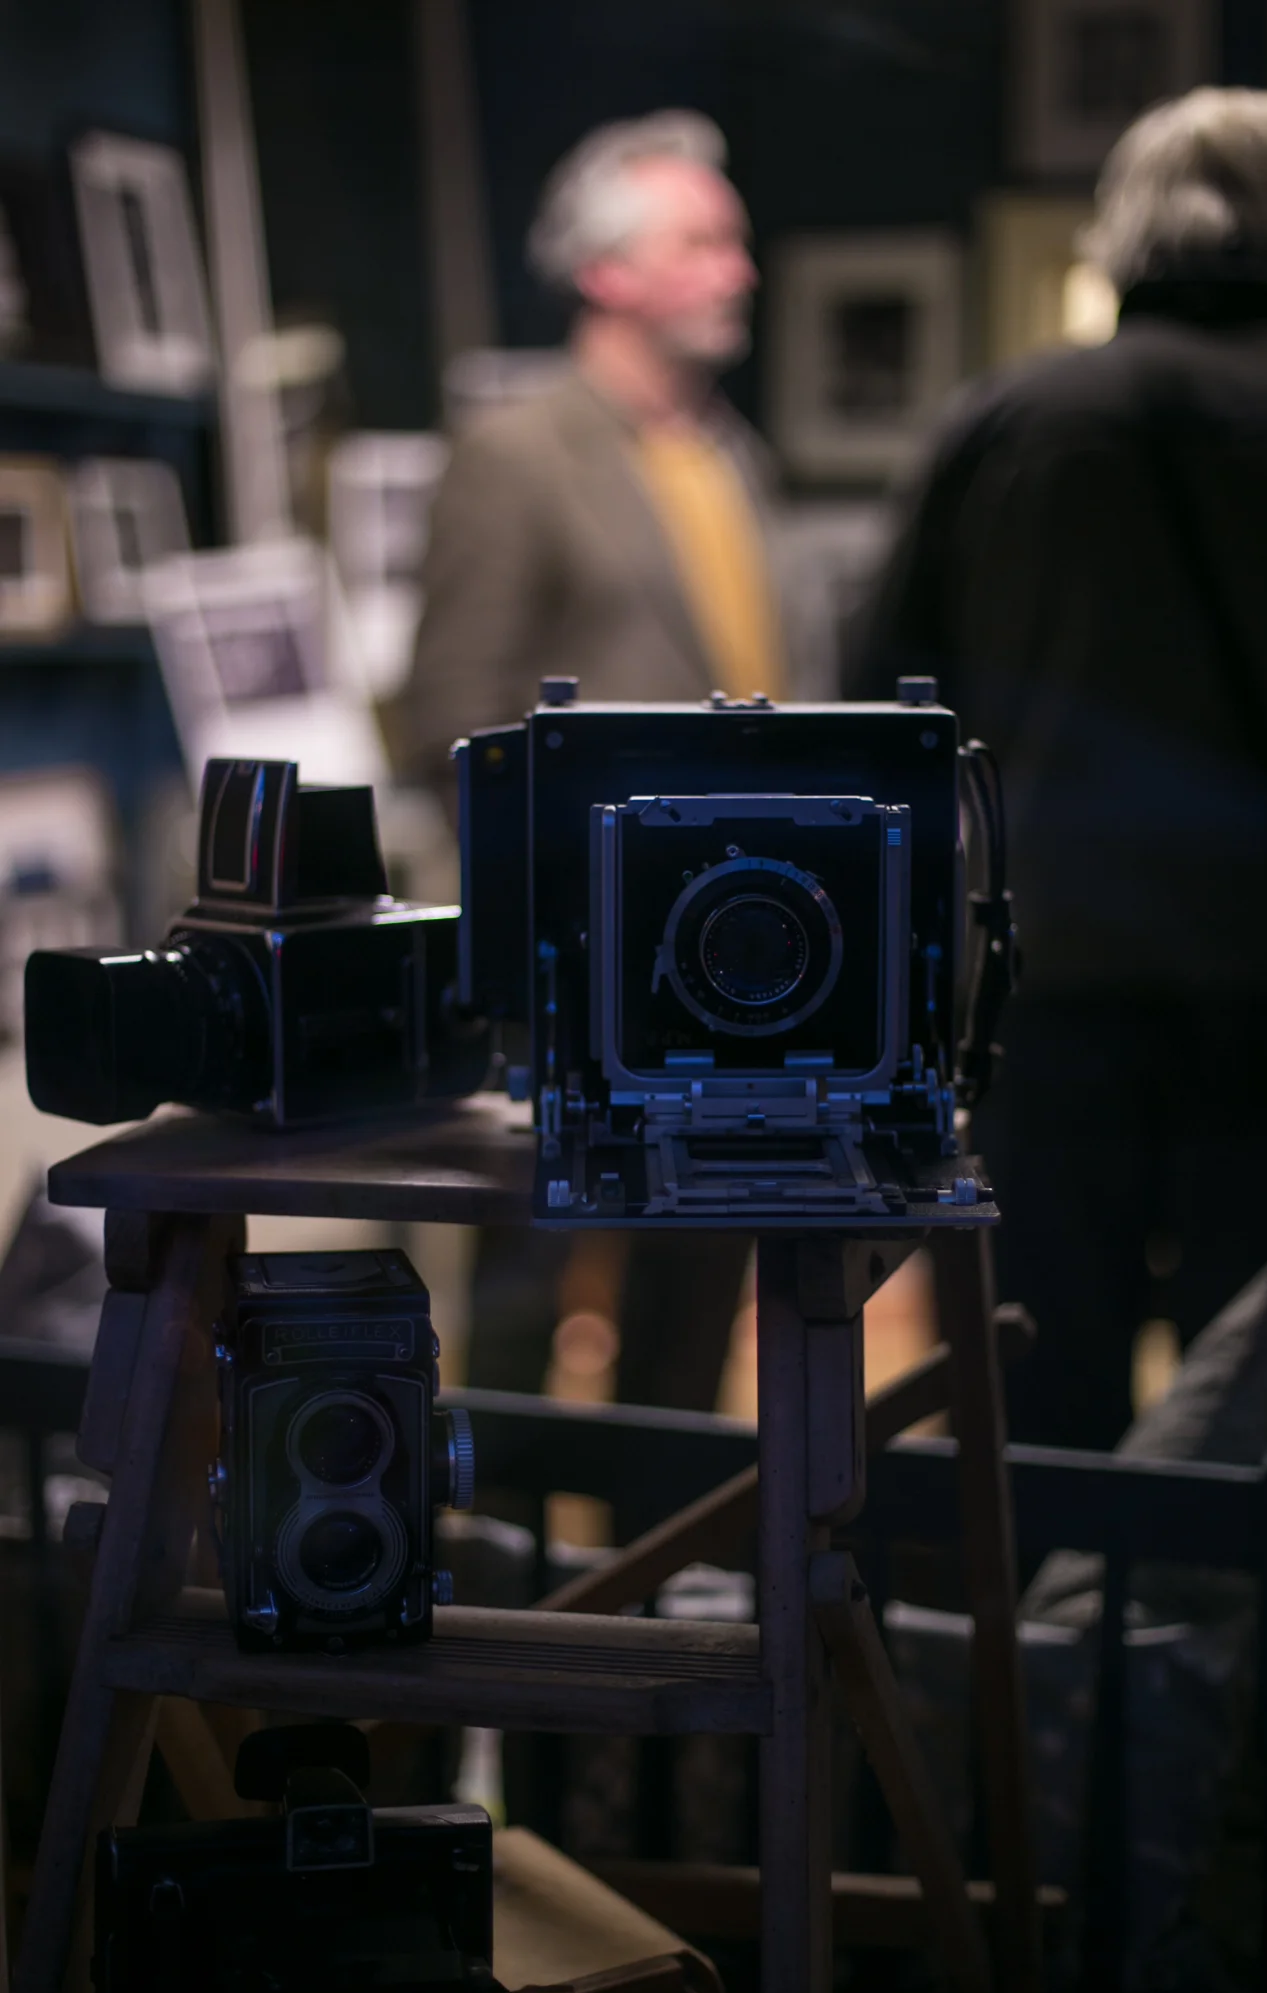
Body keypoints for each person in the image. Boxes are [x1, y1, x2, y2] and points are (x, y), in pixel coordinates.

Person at [846, 88, 1267, 1449]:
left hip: (1052, 998)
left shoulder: (1012, 423)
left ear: (1123, 240)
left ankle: (1046, 1654)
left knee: (1040, 1389)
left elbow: (884, 707)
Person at [391, 110, 786, 1416]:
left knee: (694, 1309)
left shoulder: (731, 458)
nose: (740, 267)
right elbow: (445, 716)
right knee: (522, 1304)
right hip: (574, 964)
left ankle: (661, 1581)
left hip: (735, 955)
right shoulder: (517, 453)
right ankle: (500, 1569)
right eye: (703, 239)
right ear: (606, 272)